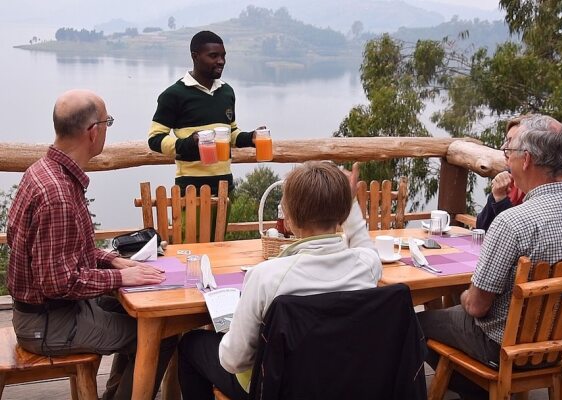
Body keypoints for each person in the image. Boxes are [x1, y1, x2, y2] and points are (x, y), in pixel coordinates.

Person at [417, 115, 562, 399]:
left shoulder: (513, 223)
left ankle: (476, 388)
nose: (507, 160)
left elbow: (477, 307)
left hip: (503, 348)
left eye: (510, 152)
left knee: (414, 324)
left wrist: (462, 297)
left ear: (527, 159)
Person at [7, 89, 177, 400]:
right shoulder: (57, 195)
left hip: (50, 311)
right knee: (161, 335)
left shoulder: (45, 171)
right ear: (93, 131)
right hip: (47, 323)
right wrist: (122, 277)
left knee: (134, 313)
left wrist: (112, 260)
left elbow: (67, 250)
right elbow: (57, 282)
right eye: (108, 122)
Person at [177, 162, 383, 399]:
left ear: (290, 220)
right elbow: (363, 244)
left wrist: (231, 331)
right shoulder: (367, 265)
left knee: (191, 345)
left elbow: (233, 361)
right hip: (346, 384)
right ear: (343, 213)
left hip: (275, 390)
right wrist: (351, 202)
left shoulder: (265, 277)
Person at [148, 30, 263, 196]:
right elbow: (154, 139)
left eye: (223, 56)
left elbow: (230, 134)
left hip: (225, 187)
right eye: (214, 56)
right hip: (190, 190)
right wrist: (187, 143)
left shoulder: (227, 92)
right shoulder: (173, 95)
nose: (221, 61)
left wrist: (251, 137)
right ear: (195, 56)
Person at [475, 117, 526, 231]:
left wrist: (501, 199)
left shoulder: (535, 187)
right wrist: (495, 196)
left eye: (510, 141)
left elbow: (517, 231)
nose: (503, 147)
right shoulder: (509, 177)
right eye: (506, 141)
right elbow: (481, 227)